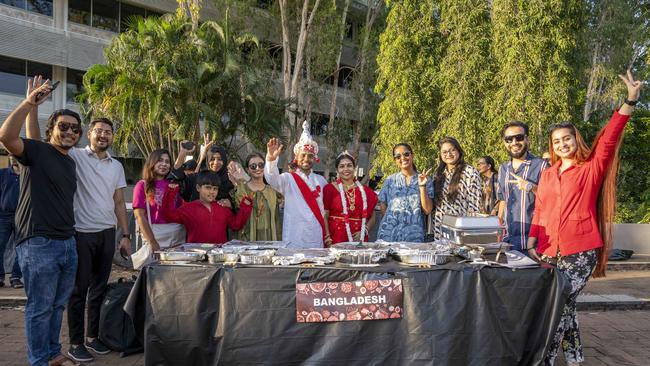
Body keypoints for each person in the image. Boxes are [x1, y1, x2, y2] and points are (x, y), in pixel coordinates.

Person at [528, 70, 641, 366]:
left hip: (581, 250)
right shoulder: (548, 174)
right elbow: (540, 209)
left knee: (559, 302)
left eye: (567, 138)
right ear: (551, 147)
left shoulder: (590, 168)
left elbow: (609, 138)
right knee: (564, 305)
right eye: (557, 141)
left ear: (576, 140)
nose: (562, 144)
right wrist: (531, 242)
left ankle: (546, 359)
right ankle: (576, 356)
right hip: (548, 250)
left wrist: (629, 101)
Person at [0, 80, 80, 366]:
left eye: (74, 128)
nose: (69, 131)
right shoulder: (37, 152)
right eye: (63, 126)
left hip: (67, 243)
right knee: (40, 307)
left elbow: (33, 137)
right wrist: (29, 104)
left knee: (57, 305)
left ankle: (52, 353)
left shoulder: (66, 161)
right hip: (38, 243)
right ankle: (39, 361)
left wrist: (34, 111)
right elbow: (7, 136)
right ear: (52, 131)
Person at [264, 121, 328, 248]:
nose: (306, 159)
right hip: (295, 236)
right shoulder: (288, 179)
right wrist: (271, 160)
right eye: (303, 155)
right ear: (296, 157)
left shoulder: (321, 181)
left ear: (314, 158)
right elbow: (272, 179)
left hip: (316, 234)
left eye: (310, 156)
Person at [162, 170, 253, 244]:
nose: (212, 192)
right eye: (208, 188)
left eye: (215, 189)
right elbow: (168, 216)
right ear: (198, 188)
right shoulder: (188, 208)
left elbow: (236, 225)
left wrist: (245, 207)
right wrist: (170, 193)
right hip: (196, 256)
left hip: (218, 256)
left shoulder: (223, 208)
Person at [497, 121, 548, 252]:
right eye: (509, 139)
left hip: (533, 242)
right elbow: (503, 199)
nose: (514, 142)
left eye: (518, 137)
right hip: (507, 241)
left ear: (527, 139)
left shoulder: (542, 166)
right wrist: (499, 226)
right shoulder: (503, 169)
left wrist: (532, 187)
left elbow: (552, 201)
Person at [376, 143, 434, 242]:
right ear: (395, 161)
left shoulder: (425, 180)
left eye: (406, 154)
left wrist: (422, 186)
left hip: (414, 236)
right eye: (398, 156)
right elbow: (383, 206)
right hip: (388, 235)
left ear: (412, 155)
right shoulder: (390, 180)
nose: (403, 158)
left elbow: (427, 210)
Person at [429, 137, 482, 240]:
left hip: (461, 230)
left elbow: (475, 205)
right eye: (444, 152)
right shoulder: (438, 174)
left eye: (452, 150)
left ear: (459, 151)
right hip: (440, 229)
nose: (448, 154)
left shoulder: (470, 172)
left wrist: (470, 231)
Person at [133, 149, 184, 252]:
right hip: (153, 236)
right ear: (152, 162)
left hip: (175, 239)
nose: (164, 164)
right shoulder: (142, 185)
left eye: (167, 162)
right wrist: (152, 242)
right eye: (160, 160)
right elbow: (139, 216)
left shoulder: (174, 185)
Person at [323, 151, 379, 245]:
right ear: (337, 170)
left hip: (358, 238)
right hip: (335, 237)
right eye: (342, 166)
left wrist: (364, 230)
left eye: (349, 165)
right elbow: (325, 216)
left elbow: (373, 217)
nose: (346, 169)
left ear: (354, 168)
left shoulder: (365, 191)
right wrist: (327, 237)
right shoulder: (329, 189)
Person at [230, 153, 282, 241]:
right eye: (253, 166)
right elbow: (239, 209)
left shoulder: (272, 191)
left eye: (261, 165)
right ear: (247, 170)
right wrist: (240, 181)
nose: (258, 168)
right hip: (247, 239)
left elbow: (276, 220)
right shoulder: (242, 189)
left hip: (269, 239)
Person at [174, 135, 234, 206]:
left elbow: (239, 202)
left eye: (220, 159)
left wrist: (230, 203)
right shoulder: (199, 178)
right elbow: (177, 177)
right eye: (212, 159)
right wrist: (183, 153)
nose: (216, 162)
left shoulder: (230, 179)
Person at [0, 156, 23, 289]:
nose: (13, 158)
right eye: (11, 156)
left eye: (16, 156)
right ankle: (0, 276)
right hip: (3, 216)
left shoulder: (28, 174)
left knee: (21, 248)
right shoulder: (2, 173)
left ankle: (15, 277)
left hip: (22, 217)